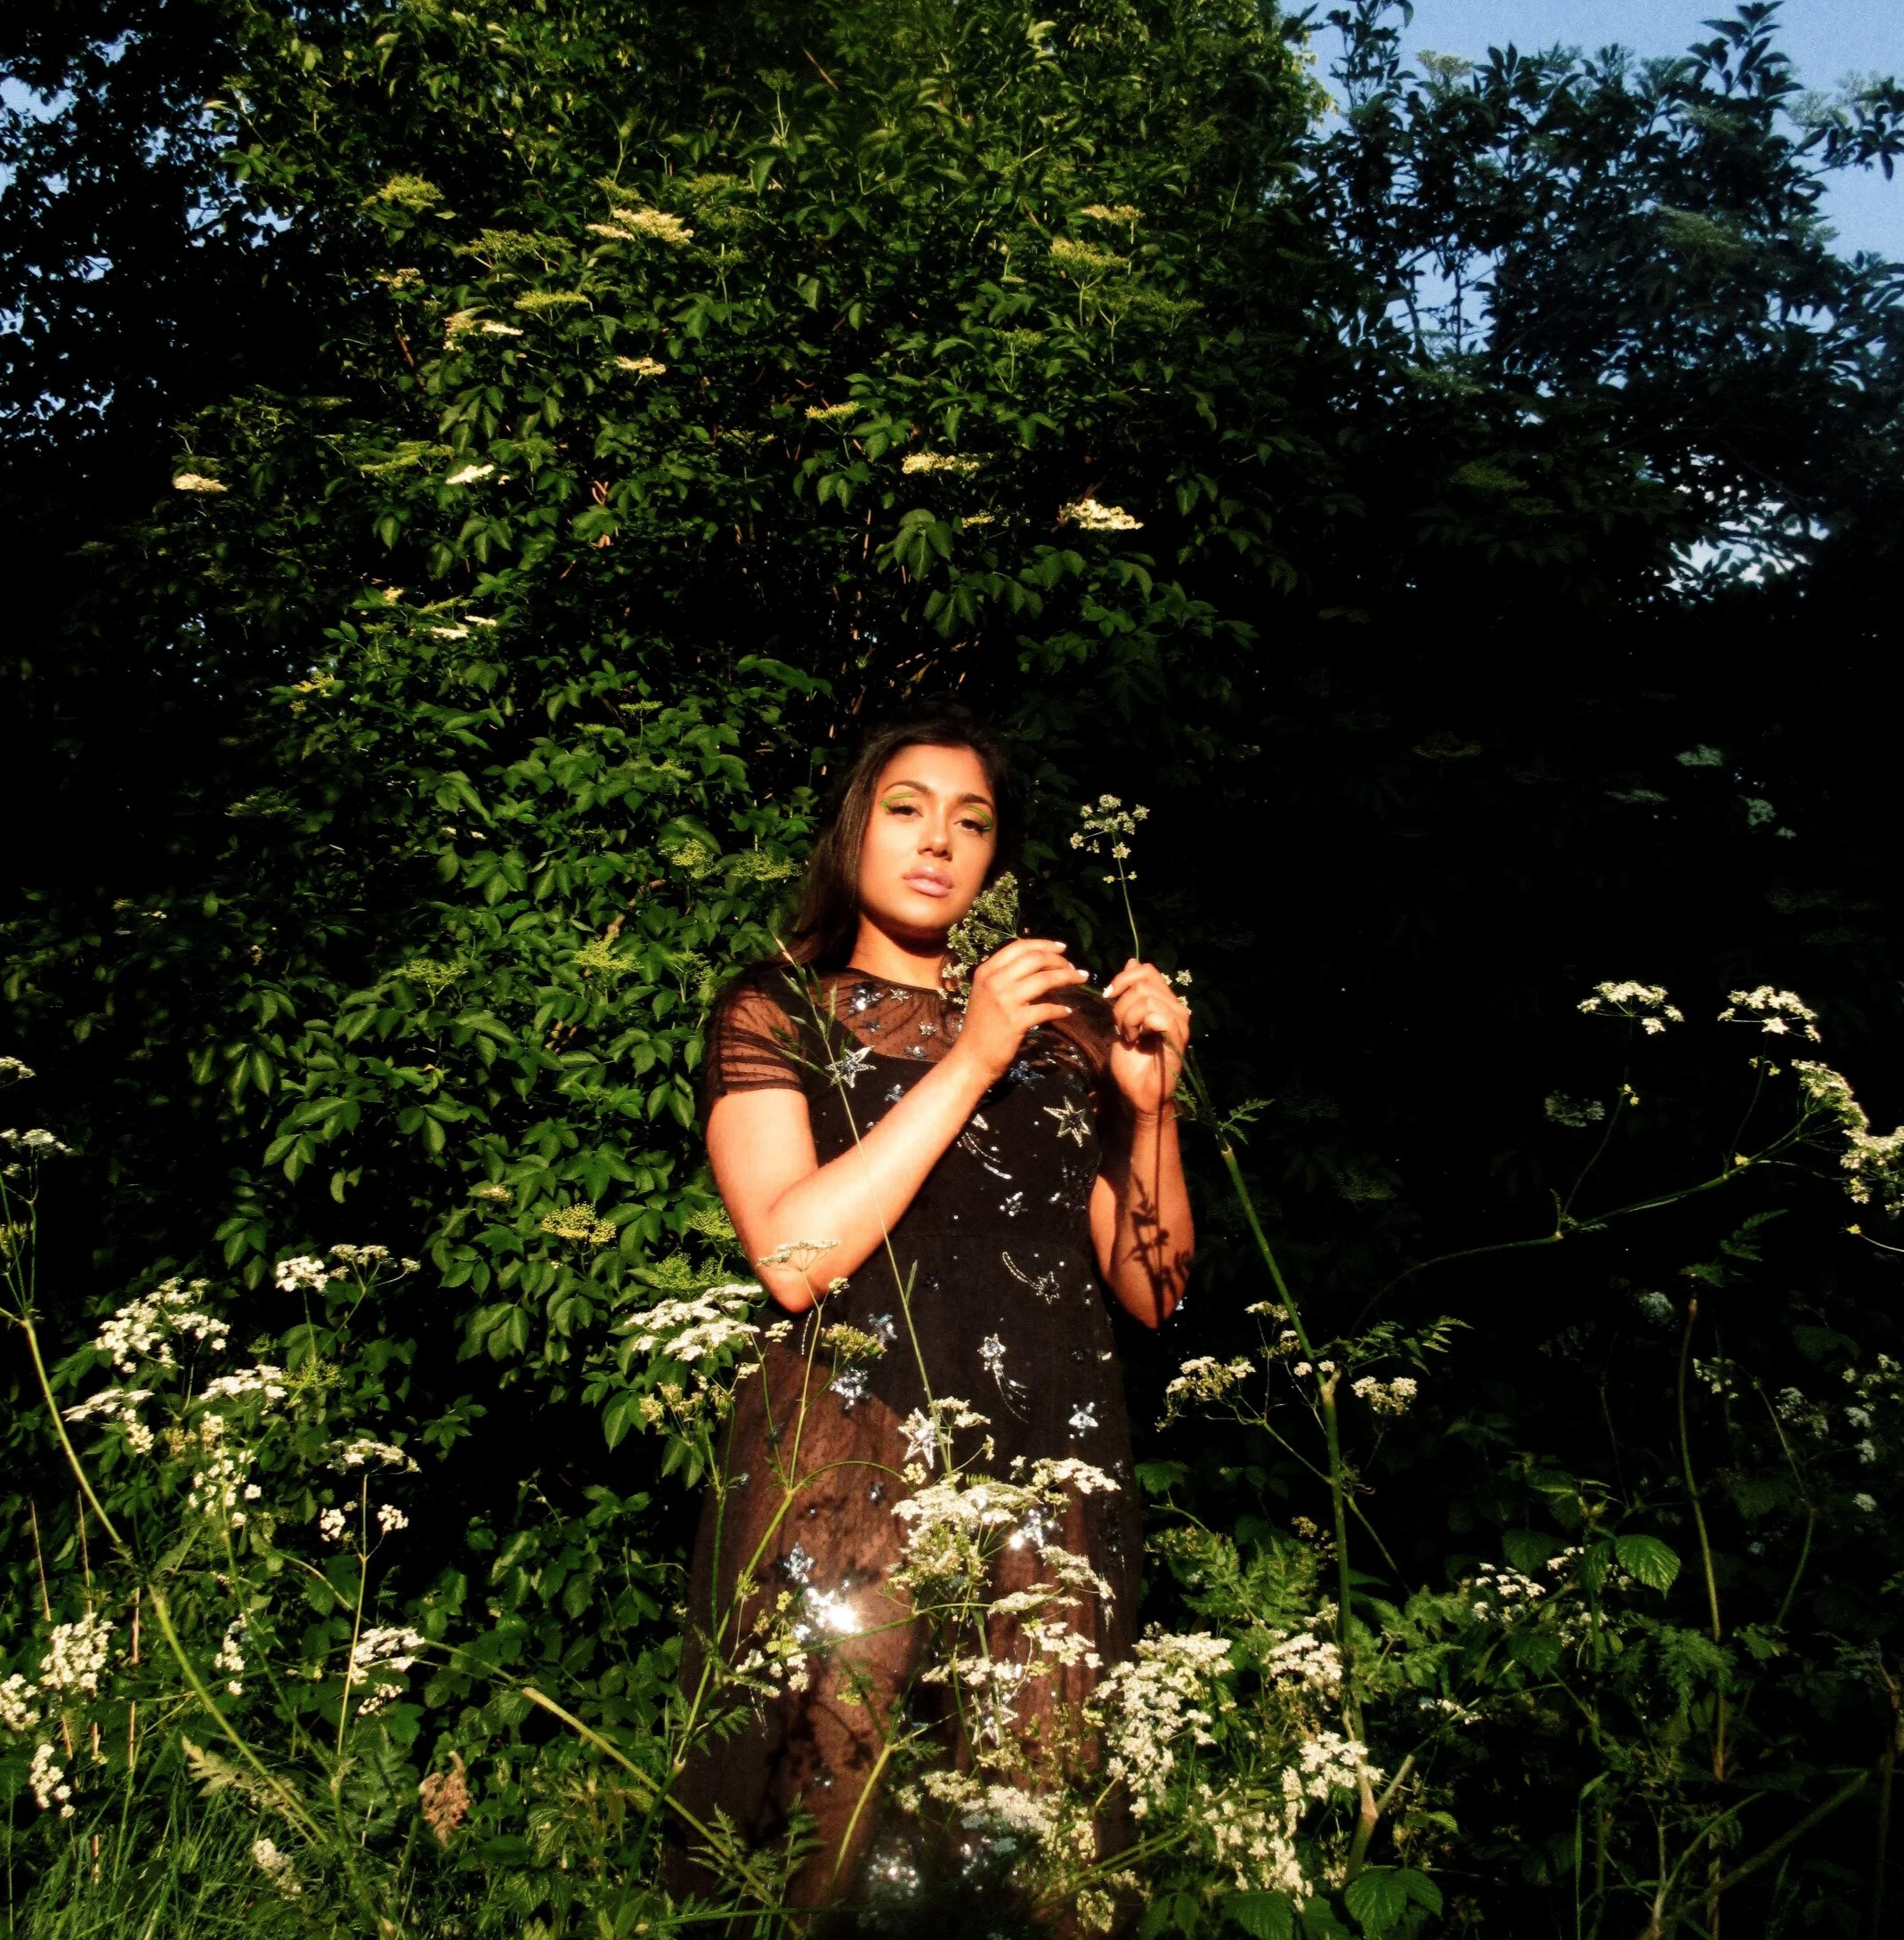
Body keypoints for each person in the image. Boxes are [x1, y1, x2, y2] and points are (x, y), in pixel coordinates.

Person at [667, 708, 1193, 1921]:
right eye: (906, 807)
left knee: (1052, 1837)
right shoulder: (776, 1009)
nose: (937, 840)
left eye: (971, 820)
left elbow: (1154, 1286)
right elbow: (794, 1257)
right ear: (855, 828)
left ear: (996, 861)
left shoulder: (1066, 1041)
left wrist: (1150, 1108)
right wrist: (968, 1053)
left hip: (1046, 1452)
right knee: (810, 1824)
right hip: (847, 1446)